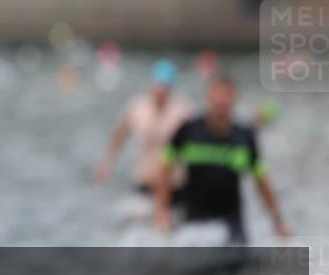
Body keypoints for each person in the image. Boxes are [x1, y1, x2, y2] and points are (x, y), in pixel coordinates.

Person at [153, 75, 290, 244]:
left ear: (234, 99)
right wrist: (162, 210)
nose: (221, 102)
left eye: (226, 97)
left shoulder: (245, 136)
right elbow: (163, 168)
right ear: (208, 97)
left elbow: (261, 180)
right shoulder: (188, 130)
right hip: (194, 222)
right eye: (217, 96)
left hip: (231, 225)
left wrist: (277, 220)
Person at [95, 59, 191, 198]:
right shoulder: (137, 107)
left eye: (165, 86)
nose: (161, 90)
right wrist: (106, 165)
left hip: (174, 186)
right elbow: (119, 136)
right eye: (158, 84)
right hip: (145, 182)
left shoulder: (183, 111)